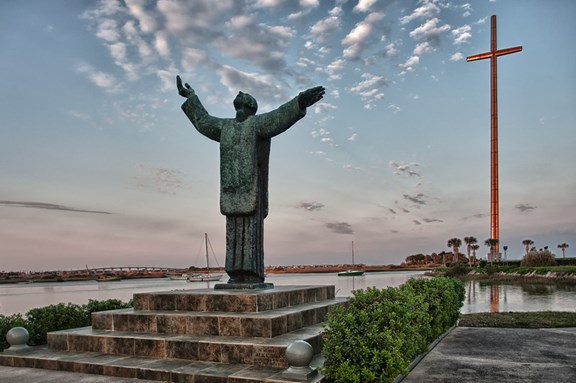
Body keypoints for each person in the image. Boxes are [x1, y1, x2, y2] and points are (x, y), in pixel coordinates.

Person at [177, 75, 325, 286]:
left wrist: (299, 102)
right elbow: (204, 122)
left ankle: (252, 273)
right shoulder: (224, 126)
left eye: (243, 100)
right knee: (233, 234)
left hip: (251, 189)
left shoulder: (257, 124)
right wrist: (191, 98)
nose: (239, 100)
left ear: (250, 107)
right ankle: (235, 274)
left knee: (250, 234)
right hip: (231, 191)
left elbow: (279, 117)